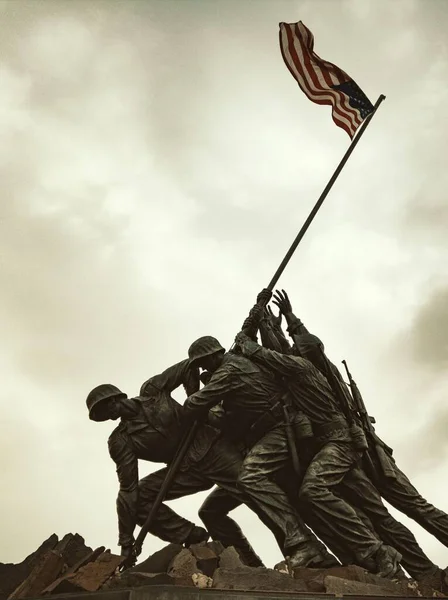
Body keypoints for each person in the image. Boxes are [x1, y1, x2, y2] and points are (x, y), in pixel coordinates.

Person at [233, 328, 401, 578]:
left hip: (340, 443)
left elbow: (266, 354)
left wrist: (244, 341)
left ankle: (378, 551)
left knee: (314, 490)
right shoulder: (306, 368)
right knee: (328, 500)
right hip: (330, 443)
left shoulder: (301, 367)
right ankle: (373, 556)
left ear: (302, 352)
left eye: (295, 346)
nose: (290, 347)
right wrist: (266, 324)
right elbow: (274, 350)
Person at [86, 357, 264, 567]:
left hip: (212, 449)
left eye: (108, 404)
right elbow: (128, 489)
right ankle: (193, 536)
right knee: (141, 497)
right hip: (185, 470)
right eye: (103, 412)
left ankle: (301, 547)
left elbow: (189, 367)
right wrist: (126, 541)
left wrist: (195, 402)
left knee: (256, 490)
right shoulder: (120, 441)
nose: (110, 411)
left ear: (116, 397)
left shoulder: (153, 390)